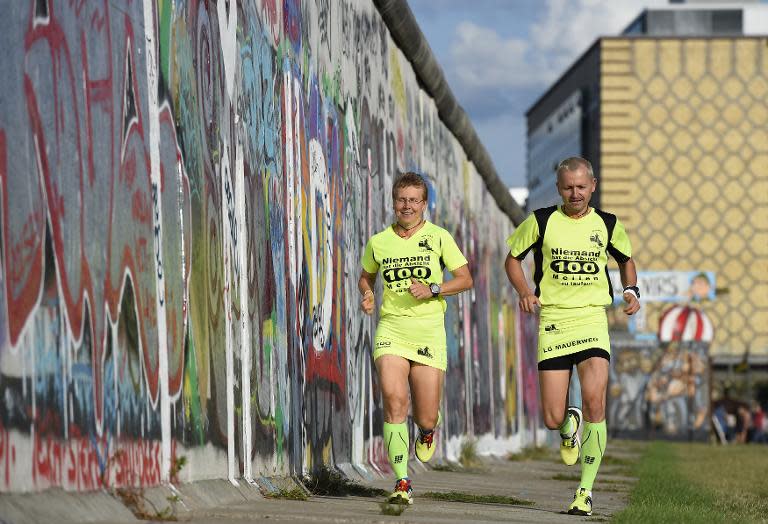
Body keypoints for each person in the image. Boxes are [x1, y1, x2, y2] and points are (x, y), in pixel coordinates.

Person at [504, 157, 640, 516]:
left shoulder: (608, 224)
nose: (575, 193)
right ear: (559, 189)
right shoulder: (542, 221)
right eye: (568, 187)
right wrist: (523, 291)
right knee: (551, 418)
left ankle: (585, 491)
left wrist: (632, 290)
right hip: (554, 321)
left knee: (597, 404)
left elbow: (626, 259)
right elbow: (512, 260)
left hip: (592, 319)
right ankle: (568, 424)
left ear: (592, 185)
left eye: (581, 186)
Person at [359, 172, 473, 505]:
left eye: (414, 200)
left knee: (424, 415)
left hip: (428, 332)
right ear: (394, 202)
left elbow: (465, 279)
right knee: (394, 403)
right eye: (401, 199)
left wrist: (434, 288)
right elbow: (366, 276)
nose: (407, 206)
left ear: (424, 204)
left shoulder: (439, 238)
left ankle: (426, 430)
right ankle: (402, 482)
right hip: (391, 329)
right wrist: (367, 293)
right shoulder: (379, 241)